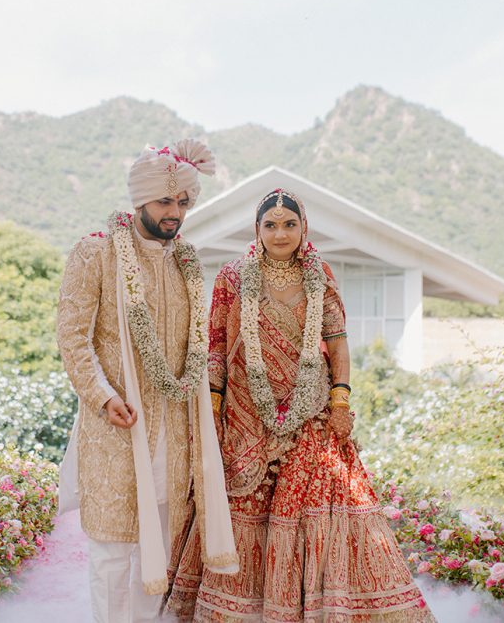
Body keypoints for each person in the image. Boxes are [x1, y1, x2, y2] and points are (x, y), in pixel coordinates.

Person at [165, 189, 434, 622]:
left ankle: (313, 608)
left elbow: (338, 343)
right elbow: (214, 347)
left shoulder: (319, 275)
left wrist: (341, 400)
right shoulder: (233, 277)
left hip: (311, 414)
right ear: (257, 230)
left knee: (311, 511)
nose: (280, 233)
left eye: (289, 224)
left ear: (303, 228)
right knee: (243, 510)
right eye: (270, 225)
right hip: (246, 417)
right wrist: (213, 411)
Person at [56, 140, 238, 623]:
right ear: (140, 200)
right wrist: (101, 396)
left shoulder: (184, 263)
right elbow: (73, 337)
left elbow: (192, 353)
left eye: (183, 203)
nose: (175, 213)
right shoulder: (95, 252)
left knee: (154, 557)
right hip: (117, 430)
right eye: (165, 202)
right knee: (114, 553)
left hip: (172, 437)